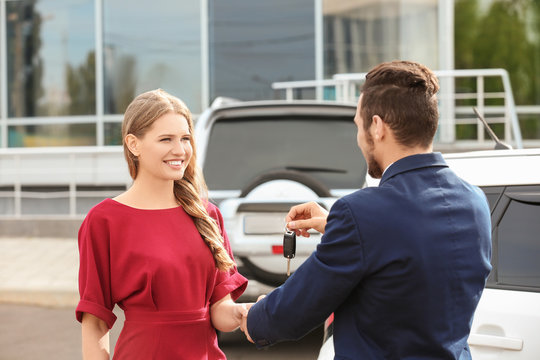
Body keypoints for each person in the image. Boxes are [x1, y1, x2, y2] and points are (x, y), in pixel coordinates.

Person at [240, 61, 492, 359]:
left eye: (358, 126)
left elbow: (296, 309)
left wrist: (253, 318)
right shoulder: (475, 201)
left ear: (377, 127)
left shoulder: (361, 213)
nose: (359, 139)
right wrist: (338, 226)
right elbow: (412, 254)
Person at [76, 89, 248, 359]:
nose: (179, 150)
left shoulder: (208, 214)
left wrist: (242, 313)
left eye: (185, 138)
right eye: (166, 139)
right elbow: (95, 320)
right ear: (134, 144)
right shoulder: (104, 220)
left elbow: (219, 311)